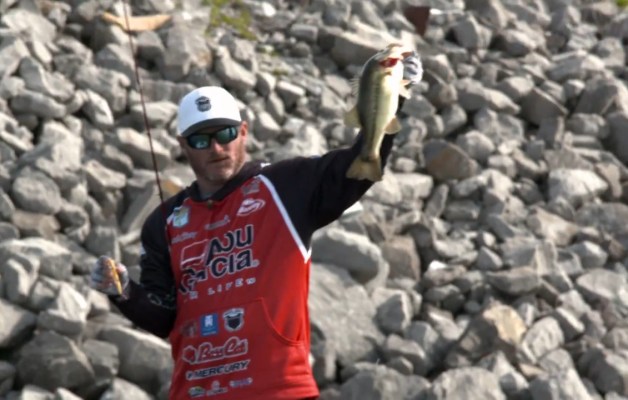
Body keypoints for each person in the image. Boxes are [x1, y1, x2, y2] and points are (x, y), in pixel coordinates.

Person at [90, 51, 423, 400]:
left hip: (282, 391)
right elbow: (164, 318)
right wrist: (124, 293)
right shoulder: (163, 223)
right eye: (201, 140)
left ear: (243, 132)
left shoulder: (287, 185)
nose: (216, 148)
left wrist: (394, 95)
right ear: (183, 146)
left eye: (225, 133)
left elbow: (356, 168)